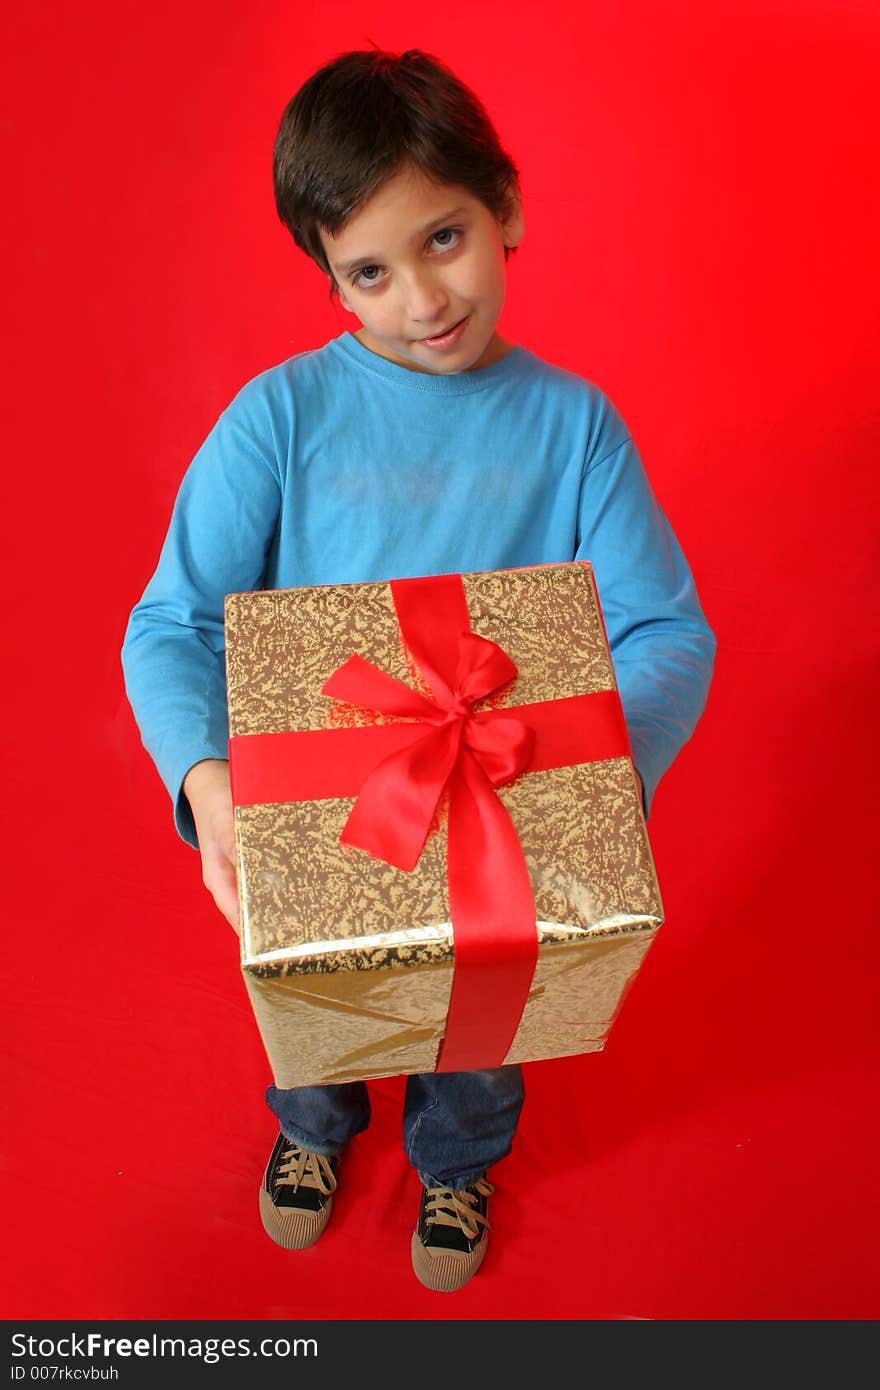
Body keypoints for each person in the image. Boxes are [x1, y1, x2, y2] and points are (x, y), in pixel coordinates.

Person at [121, 47, 716, 1293]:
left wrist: (592, 779)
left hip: (505, 801)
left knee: (479, 1027)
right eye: (371, 272)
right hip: (319, 817)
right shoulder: (276, 420)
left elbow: (665, 634)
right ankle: (313, 1133)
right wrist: (210, 783)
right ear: (332, 285)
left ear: (503, 206)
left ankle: (456, 1153)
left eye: (444, 238)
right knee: (318, 1006)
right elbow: (170, 624)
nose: (421, 299)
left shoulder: (575, 425)